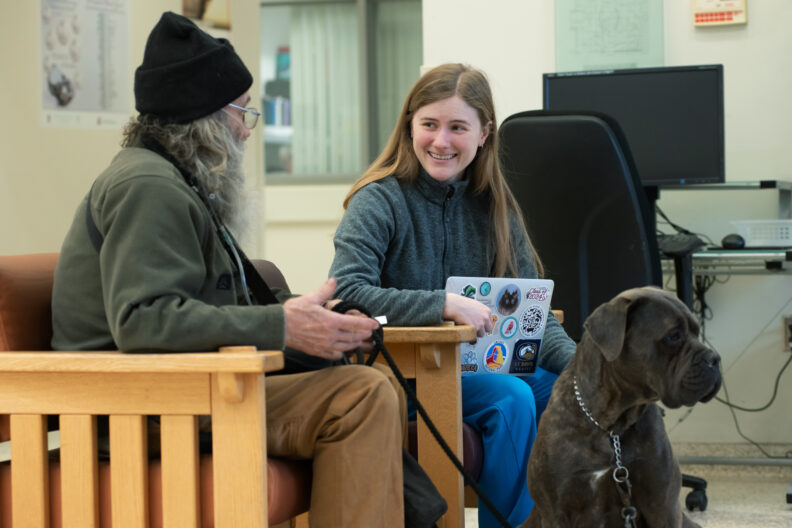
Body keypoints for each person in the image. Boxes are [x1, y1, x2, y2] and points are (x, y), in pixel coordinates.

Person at [51, 12, 405, 527]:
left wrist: (304, 316)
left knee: (372, 386)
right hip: (133, 406)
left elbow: (207, 305)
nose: (245, 130)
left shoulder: (171, 181)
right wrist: (284, 326)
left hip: (182, 390)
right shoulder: (147, 188)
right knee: (361, 397)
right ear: (206, 117)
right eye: (242, 112)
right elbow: (144, 321)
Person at [328, 63, 577, 527]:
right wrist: (439, 303)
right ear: (410, 127)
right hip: (400, 373)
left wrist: (586, 370)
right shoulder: (378, 200)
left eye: (457, 127)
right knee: (511, 397)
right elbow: (346, 291)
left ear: (484, 133)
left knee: (569, 391)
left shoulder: (496, 207)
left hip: (474, 367)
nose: (441, 141)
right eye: (429, 125)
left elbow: (533, 312)